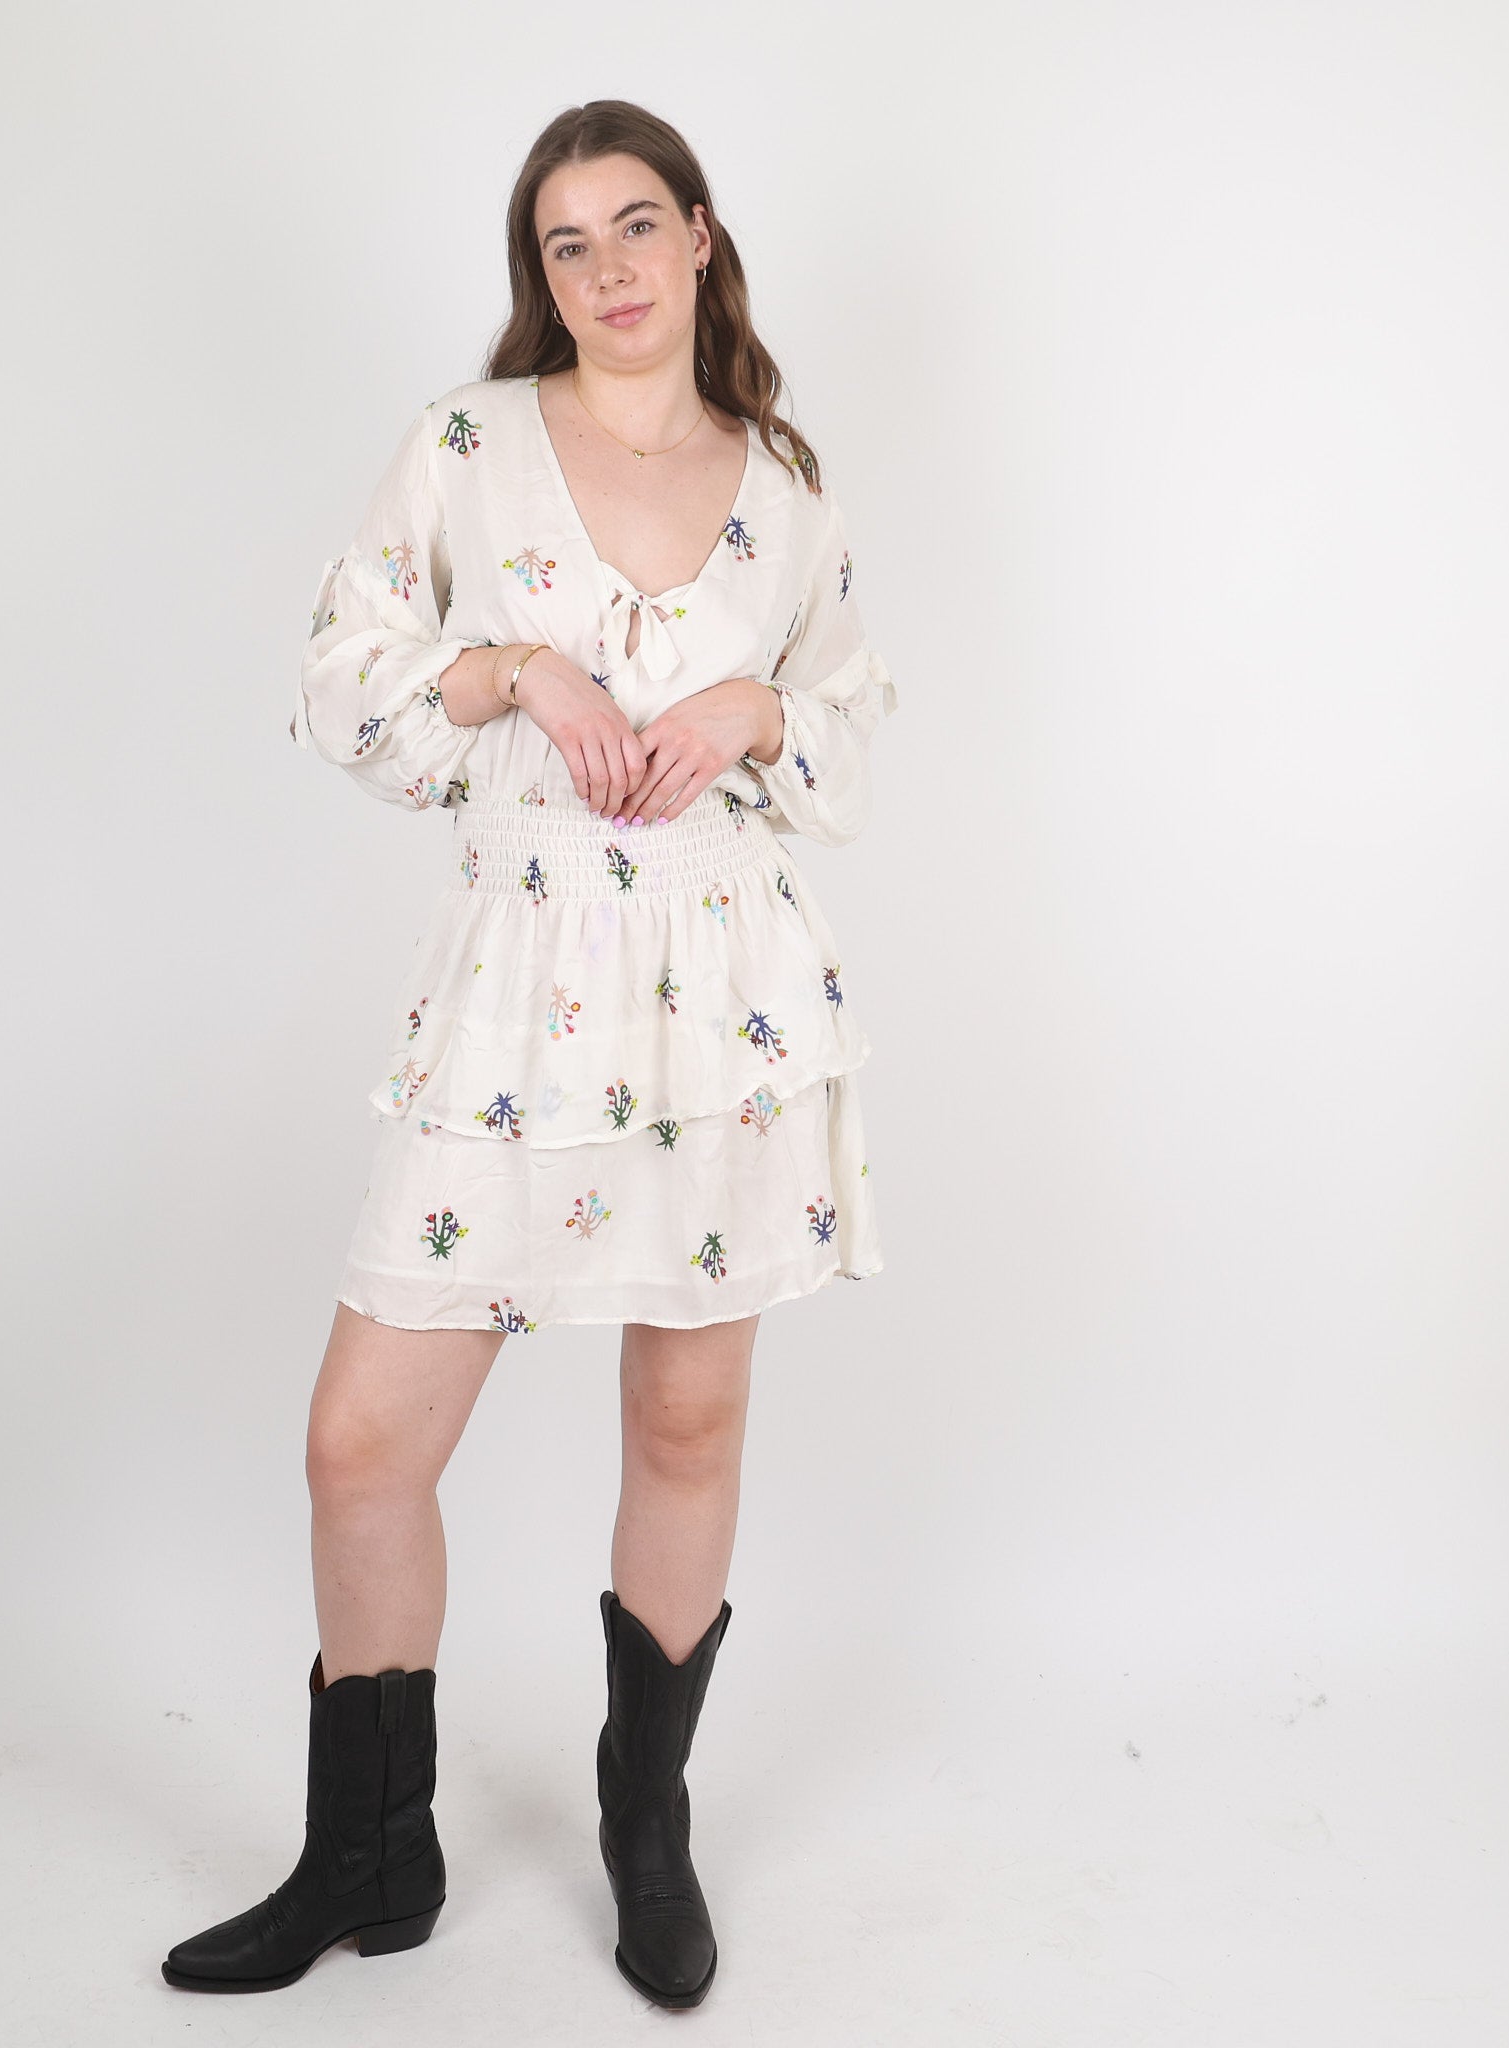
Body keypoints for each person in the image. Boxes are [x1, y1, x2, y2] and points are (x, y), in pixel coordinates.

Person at [162, 98, 898, 2010]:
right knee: (360, 1441)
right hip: (518, 988)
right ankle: (368, 1857)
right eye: (567, 244)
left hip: (724, 996)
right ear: (540, 275)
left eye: (637, 226)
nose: (609, 270)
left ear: (703, 236)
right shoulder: (467, 450)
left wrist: (746, 711)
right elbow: (343, 679)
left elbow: (845, 723)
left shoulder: (782, 480)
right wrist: (514, 672)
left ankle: (646, 1829)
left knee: (686, 1422)